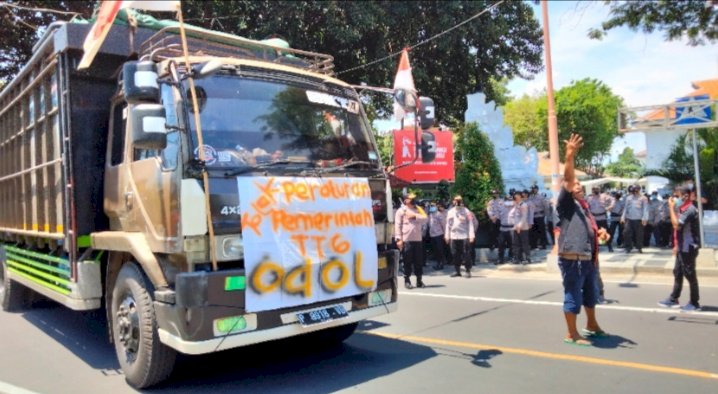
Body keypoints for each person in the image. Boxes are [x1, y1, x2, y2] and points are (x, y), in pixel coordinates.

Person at [556, 133, 608, 347]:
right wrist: (569, 155)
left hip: (588, 258)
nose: (577, 186)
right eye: (574, 184)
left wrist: (600, 234)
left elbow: (589, 229)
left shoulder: (584, 206)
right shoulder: (566, 203)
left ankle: (592, 324)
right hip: (573, 258)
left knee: (591, 294)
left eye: (580, 184)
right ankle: (572, 333)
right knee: (573, 295)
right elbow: (568, 178)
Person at [658, 186, 702, 311]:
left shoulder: (690, 210)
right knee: (677, 272)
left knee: (690, 274)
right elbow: (679, 231)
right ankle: (673, 298)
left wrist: (671, 207)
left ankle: (694, 302)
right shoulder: (683, 209)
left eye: (676, 196)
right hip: (682, 246)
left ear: (685, 196)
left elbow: (676, 225)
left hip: (689, 247)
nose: (674, 199)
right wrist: (676, 244)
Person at [394, 193, 428, 289]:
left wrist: (414, 216)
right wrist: (399, 239)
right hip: (406, 239)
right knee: (407, 261)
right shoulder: (401, 211)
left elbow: (425, 218)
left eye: (414, 198)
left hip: (417, 239)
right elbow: (397, 226)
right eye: (410, 199)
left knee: (419, 261)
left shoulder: (418, 209)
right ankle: (407, 280)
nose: (413, 200)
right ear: (405, 200)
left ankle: (419, 280)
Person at [445, 195, 475, 278]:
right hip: (453, 236)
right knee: (454, 254)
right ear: (453, 201)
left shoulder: (466, 211)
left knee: (466, 254)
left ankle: (468, 270)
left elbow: (471, 224)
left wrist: (471, 235)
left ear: (461, 201)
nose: (457, 202)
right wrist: (447, 236)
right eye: (456, 200)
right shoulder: (450, 211)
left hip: (464, 236)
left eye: (459, 200)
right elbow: (447, 225)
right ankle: (457, 271)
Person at [621, 185, 648, 253]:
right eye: (633, 190)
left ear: (639, 190)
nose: (634, 192)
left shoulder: (643, 198)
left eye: (636, 190)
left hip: (639, 219)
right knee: (626, 232)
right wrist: (622, 217)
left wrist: (644, 218)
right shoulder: (629, 198)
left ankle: (639, 247)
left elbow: (645, 209)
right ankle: (628, 247)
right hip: (629, 219)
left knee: (639, 234)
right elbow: (625, 208)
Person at [587, 187, 613, 252]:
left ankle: (609, 246)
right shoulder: (589, 198)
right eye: (594, 189)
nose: (595, 191)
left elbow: (613, 200)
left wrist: (609, 207)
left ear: (599, 190)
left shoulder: (604, 196)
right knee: (594, 233)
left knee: (605, 232)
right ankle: (596, 248)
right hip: (594, 218)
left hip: (602, 217)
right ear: (592, 190)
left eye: (597, 189)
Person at [509, 191, 531, 264]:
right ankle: (517, 258)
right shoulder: (515, 205)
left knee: (524, 243)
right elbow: (511, 215)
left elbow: (524, 216)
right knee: (516, 243)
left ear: (521, 197)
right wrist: (515, 225)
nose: (516, 197)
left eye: (517, 196)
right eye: (515, 196)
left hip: (523, 228)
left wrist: (519, 225)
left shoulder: (523, 205)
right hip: (515, 227)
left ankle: (526, 258)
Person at [428, 202, 448, 270]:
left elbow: (444, 225)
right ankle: (438, 263)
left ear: (436, 206)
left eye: (433, 206)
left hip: (439, 235)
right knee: (435, 250)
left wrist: (445, 234)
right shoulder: (430, 214)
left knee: (440, 250)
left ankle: (441, 263)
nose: (431, 207)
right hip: (432, 235)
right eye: (431, 206)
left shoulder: (439, 214)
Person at [529, 185, 548, 249]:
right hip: (533, 216)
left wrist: (544, 215)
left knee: (541, 231)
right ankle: (534, 245)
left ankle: (543, 244)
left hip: (540, 215)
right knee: (533, 231)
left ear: (537, 189)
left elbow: (546, 207)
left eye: (534, 189)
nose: (533, 190)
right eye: (532, 188)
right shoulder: (530, 197)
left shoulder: (541, 197)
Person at [496, 194, 514, 264]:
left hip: (512, 228)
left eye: (510, 200)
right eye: (507, 200)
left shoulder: (515, 207)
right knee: (501, 244)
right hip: (503, 228)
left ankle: (511, 257)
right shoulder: (501, 207)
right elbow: (498, 216)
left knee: (512, 244)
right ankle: (500, 258)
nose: (508, 201)